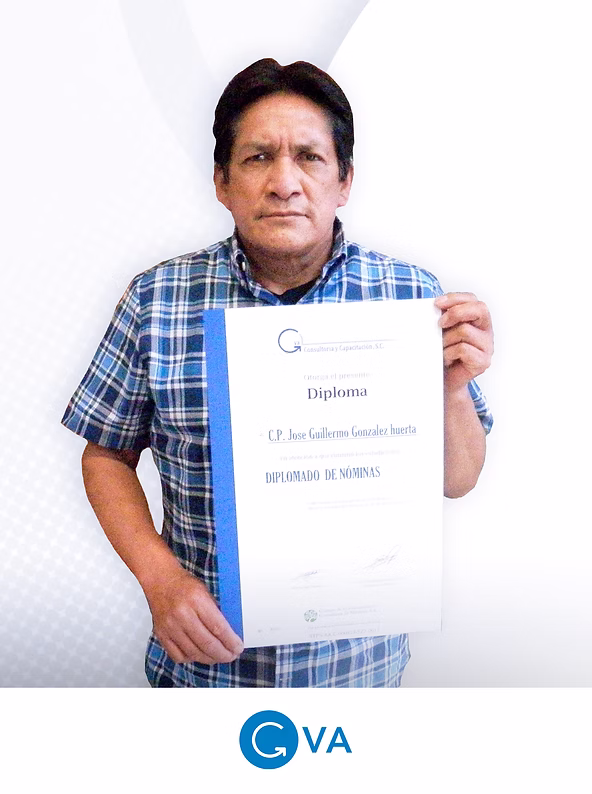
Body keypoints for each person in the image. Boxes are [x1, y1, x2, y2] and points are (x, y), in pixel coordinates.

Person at [62, 58, 493, 687]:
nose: (284, 182)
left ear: (344, 180)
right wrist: (161, 581)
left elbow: (458, 480)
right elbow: (106, 456)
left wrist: (450, 389)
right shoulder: (157, 300)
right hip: (206, 673)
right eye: (258, 157)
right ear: (222, 180)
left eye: (310, 158)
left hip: (358, 675)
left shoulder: (410, 300)